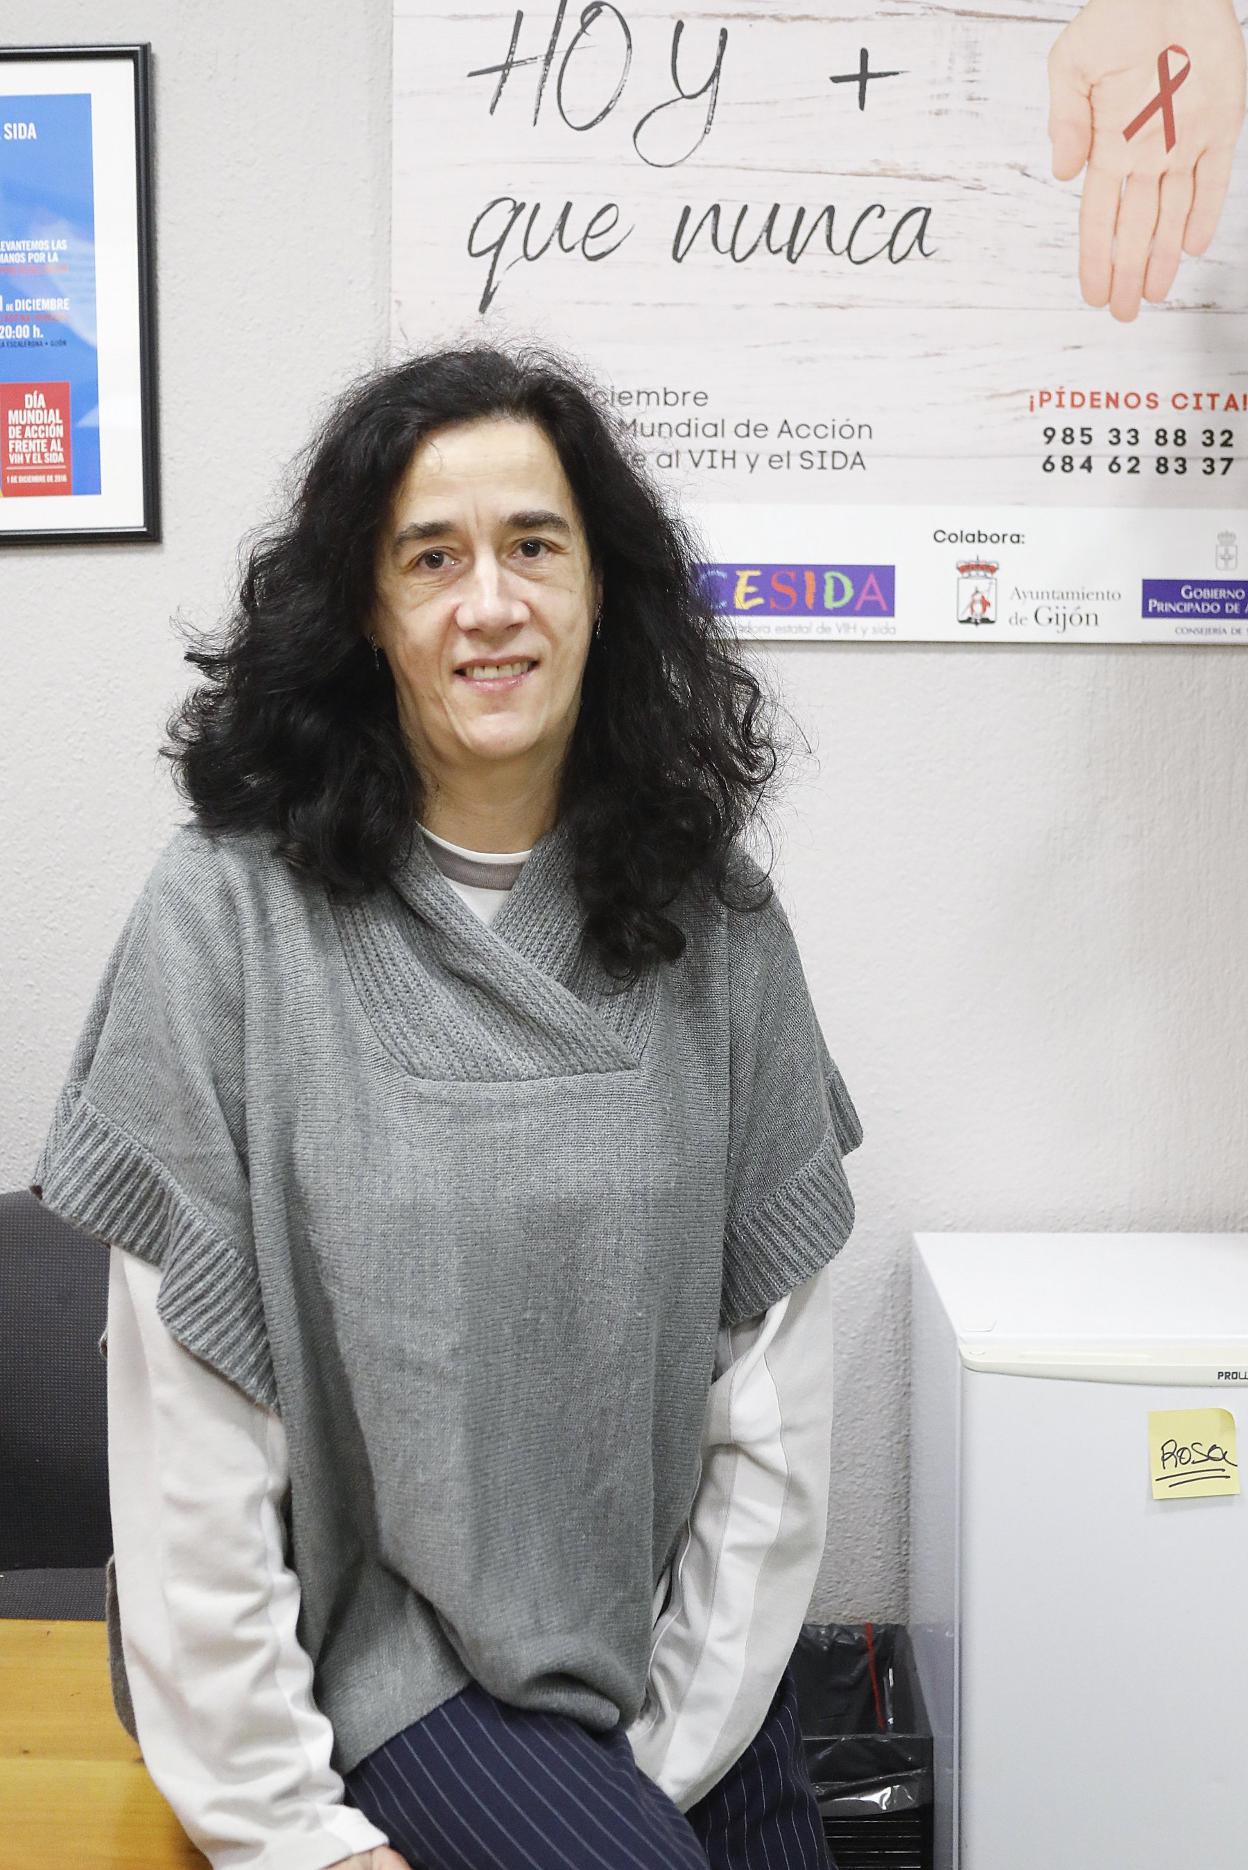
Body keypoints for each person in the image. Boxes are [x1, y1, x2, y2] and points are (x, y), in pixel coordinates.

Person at [31, 344, 863, 1870]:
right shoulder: (227, 921)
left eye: (535, 546)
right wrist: (292, 1830)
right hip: (374, 1662)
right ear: (368, 609)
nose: (491, 602)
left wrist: (663, 1757)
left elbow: (772, 1402)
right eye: (432, 557)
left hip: (654, 1642)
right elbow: (185, 1436)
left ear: (602, 590)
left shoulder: (719, 927)